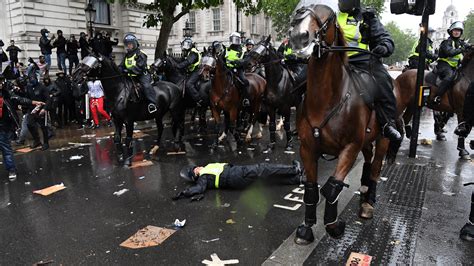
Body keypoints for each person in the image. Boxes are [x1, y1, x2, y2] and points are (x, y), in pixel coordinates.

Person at [337, 0, 401, 142]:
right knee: (305, 78)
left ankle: (387, 123)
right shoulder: (332, 16)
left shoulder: (368, 17)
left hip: (362, 59)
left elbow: (384, 37)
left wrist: (384, 47)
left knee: (383, 81)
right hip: (335, 59)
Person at [173, 160, 304, 201]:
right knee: (263, 169)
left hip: (235, 174)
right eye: (195, 169)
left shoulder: (206, 169)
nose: (198, 167)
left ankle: (297, 179)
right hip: (236, 175)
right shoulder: (203, 176)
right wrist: (184, 193)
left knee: (266, 180)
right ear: (195, 174)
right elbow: (199, 188)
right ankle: (294, 170)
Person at [0, 74, 44, 180]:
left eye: (1, 82)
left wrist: (34, 102)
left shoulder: (6, 95)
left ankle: (11, 169)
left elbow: (20, 99)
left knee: (6, 149)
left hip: (3, 127)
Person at [433, 21, 470, 104]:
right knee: (450, 76)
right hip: (444, 65)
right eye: (455, 30)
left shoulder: (461, 43)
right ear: (451, 31)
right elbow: (450, 52)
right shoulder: (446, 42)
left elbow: (468, 47)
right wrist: (463, 49)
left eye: (459, 31)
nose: (457, 32)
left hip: (455, 67)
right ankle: (437, 96)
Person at [119, 33, 157, 113]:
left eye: (130, 44)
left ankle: (152, 103)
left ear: (135, 43)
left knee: (146, 86)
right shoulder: (127, 55)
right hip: (130, 76)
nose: (129, 46)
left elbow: (139, 67)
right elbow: (121, 65)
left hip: (142, 75)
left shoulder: (141, 54)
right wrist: (118, 70)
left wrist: (128, 70)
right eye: (127, 44)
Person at [25, 74, 51, 150]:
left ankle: (46, 143)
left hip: (41, 109)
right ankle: (37, 140)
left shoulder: (42, 87)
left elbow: (48, 99)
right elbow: (27, 98)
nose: (32, 80)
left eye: (34, 78)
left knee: (43, 127)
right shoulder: (28, 87)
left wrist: (45, 109)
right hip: (32, 109)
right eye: (31, 79)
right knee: (29, 124)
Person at [225, 32, 250, 107]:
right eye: (232, 39)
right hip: (227, 69)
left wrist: (236, 62)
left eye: (236, 39)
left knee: (244, 81)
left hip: (238, 69)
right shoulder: (227, 49)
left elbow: (245, 61)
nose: (234, 41)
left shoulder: (242, 50)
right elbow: (222, 58)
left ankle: (246, 99)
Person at [176, 37, 203, 106]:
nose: (185, 46)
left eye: (186, 44)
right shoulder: (188, 53)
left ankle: (199, 100)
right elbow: (182, 60)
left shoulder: (193, 52)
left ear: (190, 44)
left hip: (197, 71)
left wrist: (178, 66)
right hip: (191, 72)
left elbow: (188, 62)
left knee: (189, 84)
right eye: (184, 44)